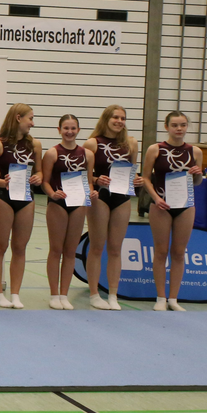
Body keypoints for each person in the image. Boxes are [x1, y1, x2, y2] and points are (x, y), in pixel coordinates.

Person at [141, 110, 204, 312]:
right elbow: (145, 178)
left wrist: (197, 174)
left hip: (185, 205)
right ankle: (160, 297)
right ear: (166, 127)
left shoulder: (195, 151)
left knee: (178, 253)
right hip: (161, 205)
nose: (179, 129)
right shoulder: (155, 149)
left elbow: (197, 182)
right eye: (175, 125)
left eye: (183, 125)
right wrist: (156, 198)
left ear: (187, 127)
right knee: (161, 252)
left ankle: (174, 299)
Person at [0, 103, 43, 309]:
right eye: (30, 118)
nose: (32, 123)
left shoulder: (35, 145)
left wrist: (38, 178)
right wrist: (3, 183)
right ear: (18, 118)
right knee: (0, 246)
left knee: (20, 247)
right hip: (4, 197)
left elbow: (40, 172)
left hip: (26, 198)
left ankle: (15, 293)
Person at [83, 104, 142, 310]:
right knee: (97, 246)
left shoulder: (131, 143)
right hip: (101, 196)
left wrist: (137, 180)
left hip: (122, 198)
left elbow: (133, 171)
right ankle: (93, 293)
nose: (119, 121)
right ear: (106, 119)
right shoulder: (92, 143)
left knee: (116, 248)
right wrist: (96, 180)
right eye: (115, 117)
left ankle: (113, 294)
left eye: (123, 118)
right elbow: (84, 175)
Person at [40, 114, 98, 310]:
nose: (70, 132)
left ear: (78, 130)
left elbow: (88, 181)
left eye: (73, 128)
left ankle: (64, 294)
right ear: (59, 130)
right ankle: (54, 294)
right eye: (66, 128)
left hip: (78, 203)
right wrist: (52, 194)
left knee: (70, 251)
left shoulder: (87, 154)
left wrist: (91, 192)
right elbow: (45, 182)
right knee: (56, 249)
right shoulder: (52, 153)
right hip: (58, 203)